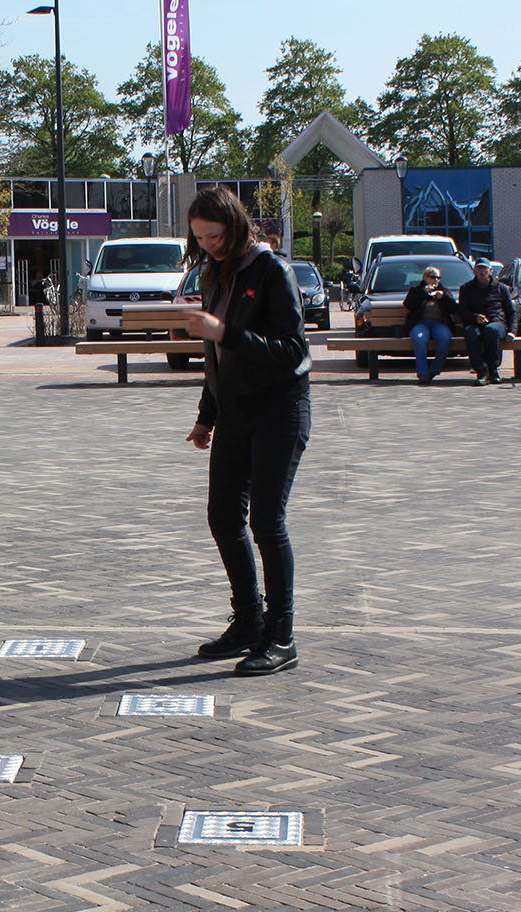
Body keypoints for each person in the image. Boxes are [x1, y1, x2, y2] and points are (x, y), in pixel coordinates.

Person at [181, 185, 312, 676]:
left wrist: (225, 332)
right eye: (200, 238)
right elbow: (217, 360)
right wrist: (205, 416)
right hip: (234, 411)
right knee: (221, 517)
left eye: (214, 235)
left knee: (266, 522)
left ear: (235, 227)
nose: (208, 245)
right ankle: (250, 622)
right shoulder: (217, 272)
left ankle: (282, 637)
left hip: (280, 410)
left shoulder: (271, 269)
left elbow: (293, 351)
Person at [457, 257, 515, 385]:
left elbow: (511, 312)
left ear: (491, 270)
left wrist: (512, 331)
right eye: (479, 268)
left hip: (496, 323)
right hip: (475, 323)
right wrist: (474, 317)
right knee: (470, 332)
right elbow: (462, 312)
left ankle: (493, 372)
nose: (482, 271)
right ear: (474, 271)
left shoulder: (501, 288)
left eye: (485, 268)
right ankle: (481, 372)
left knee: (491, 330)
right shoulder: (466, 289)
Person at [403, 266, 458, 382]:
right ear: (425, 277)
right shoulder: (416, 290)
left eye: (438, 278)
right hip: (420, 323)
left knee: (445, 337)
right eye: (433, 277)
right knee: (420, 338)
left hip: (438, 323)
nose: (436, 280)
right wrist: (423, 293)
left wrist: (443, 297)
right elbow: (408, 304)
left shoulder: (444, 290)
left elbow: (453, 308)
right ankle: (422, 373)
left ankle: (434, 370)